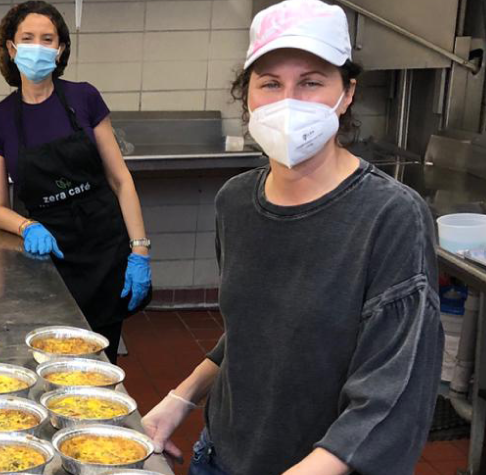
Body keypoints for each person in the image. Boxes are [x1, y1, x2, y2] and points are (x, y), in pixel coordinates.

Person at [139, 1, 443, 474]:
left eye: (311, 82)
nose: (288, 103)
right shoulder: (236, 202)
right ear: (248, 98)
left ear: (346, 94)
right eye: (270, 84)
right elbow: (253, 332)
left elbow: (392, 398)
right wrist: (180, 399)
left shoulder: (391, 217)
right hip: (221, 457)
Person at [0, 1, 152, 362]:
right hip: (46, 261)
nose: (38, 47)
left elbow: (120, 180)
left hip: (104, 253)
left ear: (60, 50)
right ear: (12, 49)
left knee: (100, 362)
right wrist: (27, 227)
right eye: (28, 38)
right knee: (48, 361)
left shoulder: (84, 98)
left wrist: (139, 250)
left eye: (48, 39)